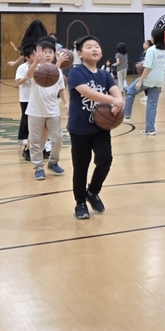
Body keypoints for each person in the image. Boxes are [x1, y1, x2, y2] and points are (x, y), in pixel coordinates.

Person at [67, 35, 124, 220]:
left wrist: (119, 101)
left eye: (97, 46)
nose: (94, 49)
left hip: (100, 128)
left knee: (105, 160)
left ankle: (92, 191)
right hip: (79, 128)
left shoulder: (104, 74)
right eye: (89, 46)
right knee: (81, 167)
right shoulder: (76, 72)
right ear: (79, 53)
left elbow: (115, 89)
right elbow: (87, 92)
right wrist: (112, 100)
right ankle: (80, 203)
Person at [27, 39, 67, 182]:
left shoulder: (57, 71)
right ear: (39, 53)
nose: (48, 54)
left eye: (51, 52)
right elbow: (28, 76)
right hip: (35, 111)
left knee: (58, 138)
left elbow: (62, 89)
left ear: (54, 54)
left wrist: (67, 103)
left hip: (53, 111)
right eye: (45, 52)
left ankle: (53, 162)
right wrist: (35, 62)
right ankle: (38, 167)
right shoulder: (36, 69)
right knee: (35, 141)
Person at [125, 27, 165, 136]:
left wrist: (140, 81)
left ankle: (126, 115)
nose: (150, 37)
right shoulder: (164, 50)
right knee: (152, 104)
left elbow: (147, 67)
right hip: (159, 80)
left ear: (155, 37)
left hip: (149, 78)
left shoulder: (151, 50)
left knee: (130, 91)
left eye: (151, 35)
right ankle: (150, 129)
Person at [14, 42, 36, 160]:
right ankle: (23, 138)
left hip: (36, 97)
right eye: (33, 55)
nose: (36, 56)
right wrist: (27, 77)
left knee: (36, 119)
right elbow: (18, 82)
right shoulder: (22, 67)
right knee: (26, 117)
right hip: (25, 97)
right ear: (27, 57)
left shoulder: (40, 66)